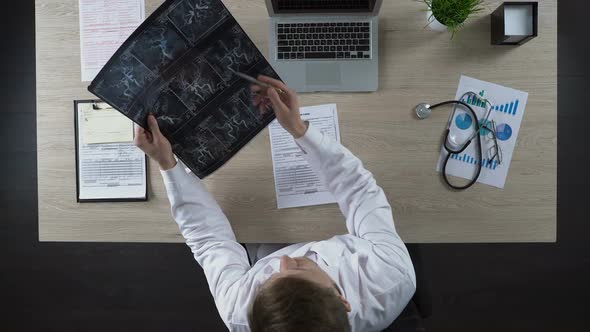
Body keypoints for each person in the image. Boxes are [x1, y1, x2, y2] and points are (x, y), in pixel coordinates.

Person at [134, 76, 416, 332]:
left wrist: (167, 164)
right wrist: (300, 129)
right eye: (300, 269)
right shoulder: (391, 272)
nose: (282, 260)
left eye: (269, 279)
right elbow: (359, 190)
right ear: (342, 300)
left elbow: (211, 241)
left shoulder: (239, 310)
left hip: (260, 239)